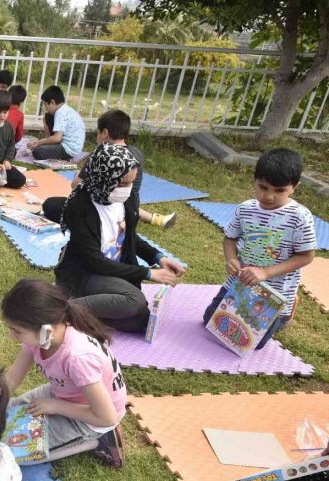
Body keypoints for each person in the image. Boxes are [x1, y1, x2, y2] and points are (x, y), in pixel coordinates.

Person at [54, 143, 186, 333]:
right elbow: (94, 262)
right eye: (123, 183)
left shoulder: (127, 199)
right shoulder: (80, 207)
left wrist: (159, 258)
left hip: (113, 269)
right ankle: (62, 311)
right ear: (104, 177)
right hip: (87, 272)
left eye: (131, 183)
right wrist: (148, 273)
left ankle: (82, 314)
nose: (128, 189)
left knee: (142, 321)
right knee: (135, 301)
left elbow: (128, 237)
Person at [1, 279, 128, 467]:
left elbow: (106, 416)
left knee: (6, 455)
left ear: (46, 331)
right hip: (65, 392)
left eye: (17, 331)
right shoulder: (44, 336)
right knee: (3, 413)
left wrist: (55, 406)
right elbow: (11, 379)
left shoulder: (77, 357)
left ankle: (100, 439)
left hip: (93, 417)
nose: (12, 336)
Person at [202, 148, 316, 349]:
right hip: (240, 283)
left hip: (276, 292)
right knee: (210, 321)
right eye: (263, 187)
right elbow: (230, 239)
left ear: (294, 187)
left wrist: (266, 272)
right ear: (254, 181)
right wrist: (231, 259)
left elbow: (305, 256)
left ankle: (286, 313)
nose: (269, 196)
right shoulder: (245, 209)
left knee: (254, 343)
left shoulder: (299, 217)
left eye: (279, 190)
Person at [42, 110, 176, 229]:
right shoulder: (137, 153)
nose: (97, 137)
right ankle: (152, 218)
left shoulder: (102, 154)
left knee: (51, 204)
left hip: (104, 213)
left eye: (98, 132)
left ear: (105, 133)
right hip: (130, 211)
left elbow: (76, 186)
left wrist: (78, 175)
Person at [27, 85, 84, 161]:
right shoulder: (64, 109)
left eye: (45, 104)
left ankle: (63, 157)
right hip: (72, 147)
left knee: (38, 151)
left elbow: (57, 138)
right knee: (48, 117)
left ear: (52, 102)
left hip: (68, 149)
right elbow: (51, 138)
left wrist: (39, 143)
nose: (45, 108)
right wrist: (41, 142)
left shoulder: (60, 113)